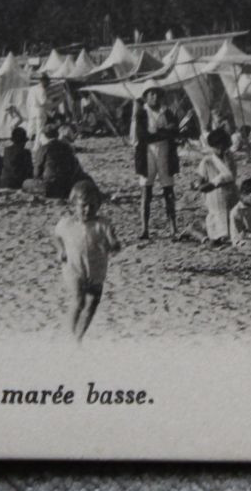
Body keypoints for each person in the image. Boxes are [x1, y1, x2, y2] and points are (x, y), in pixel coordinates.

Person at [52, 178, 122, 342]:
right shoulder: (67, 223)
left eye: (93, 205)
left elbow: (114, 243)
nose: (88, 209)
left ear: (99, 205)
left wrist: (112, 246)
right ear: (73, 205)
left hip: (96, 269)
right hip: (74, 268)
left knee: (92, 303)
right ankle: (70, 335)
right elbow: (56, 236)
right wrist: (61, 250)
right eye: (83, 205)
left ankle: (79, 336)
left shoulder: (102, 224)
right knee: (79, 299)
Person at [132, 88, 181, 240]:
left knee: (168, 190)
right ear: (146, 97)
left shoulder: (167, 112)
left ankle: (172, 227)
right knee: (146, 191)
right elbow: (143, 136)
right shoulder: (141, 113)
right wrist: (164, 132)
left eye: (157, 94)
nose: (155, 97)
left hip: (165, 153)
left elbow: (176, 131)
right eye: (151, 94)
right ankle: (144, 228)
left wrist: (159, 133)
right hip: (147, 154)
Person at [195, 128, 239, 244]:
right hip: (216, 200)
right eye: (218, 148)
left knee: (235, 232)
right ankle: (194, 230)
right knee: (221, 236)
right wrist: (215, 182)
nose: (221, 151)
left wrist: (222, 180)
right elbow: (201, 186)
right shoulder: (207, 162)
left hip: (231, 199)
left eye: (223, 148)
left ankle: (202, 226)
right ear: (213, 147)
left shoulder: (230, 159)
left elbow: (232, 177)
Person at [35, 123, 83, 200]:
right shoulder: (67, 147)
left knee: (26, 183)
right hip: (67, 186)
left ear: (44, 136)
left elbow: (37, 172)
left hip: (50, 187)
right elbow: (74, 167)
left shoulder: (43, 149)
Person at [0, 126, 35, 191]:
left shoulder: (6, 150)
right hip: (17, 183)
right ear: (23, 141)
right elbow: (29, 170)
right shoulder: (25, 152)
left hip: (4, 182)